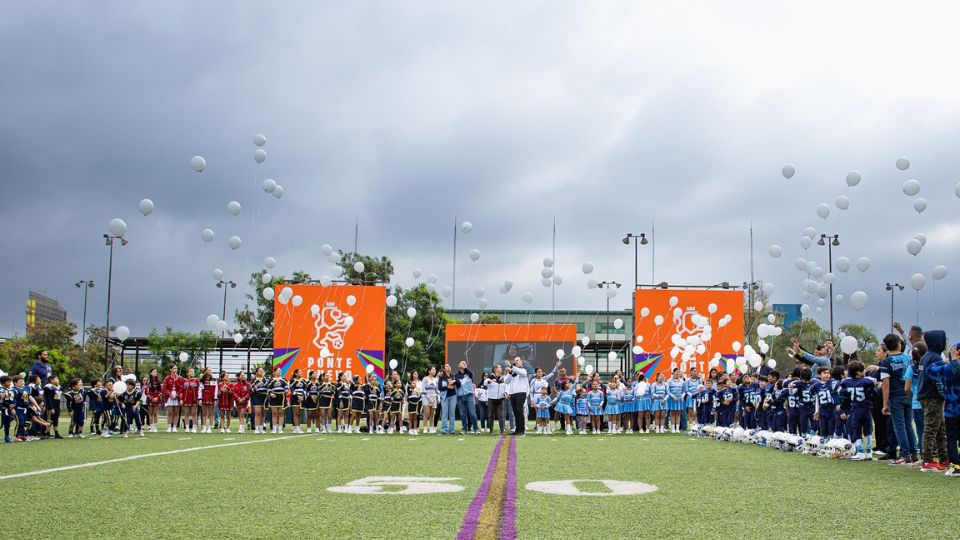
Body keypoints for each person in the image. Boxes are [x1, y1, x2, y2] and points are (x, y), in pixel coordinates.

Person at [876, 333, 919, 464]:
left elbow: (885, 384)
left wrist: (885, 404)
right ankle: (914, 452)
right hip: (909, 394)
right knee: (908, 425)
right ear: (899, 344)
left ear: (886, 347)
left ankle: (905, 454)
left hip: (895, 396)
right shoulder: (909, 358)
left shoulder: (886, 362)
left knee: (899, 426)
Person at [916, 330, 949, 471]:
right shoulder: (935, 358)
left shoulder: (926, 356)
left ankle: (944, 458)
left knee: (940, 429)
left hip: (926, 396)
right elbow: (938, 380)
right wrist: (945, 394)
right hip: (933, 397)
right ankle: (927, 459)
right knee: (931, 428)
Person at [929, 344, 960, 477]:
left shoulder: (947, 369)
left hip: (952, 411)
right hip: (953, 411)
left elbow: (930, 370)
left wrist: (947, 360)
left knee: (951, 440)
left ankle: (957, 466)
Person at [838, 361, 878, 461]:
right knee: (868, 431)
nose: (864, 371)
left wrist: (843, 406)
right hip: (867, 408)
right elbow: (875, 393)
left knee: (857, 430)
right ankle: (869, 452)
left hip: (855, 409)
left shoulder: (846, 382)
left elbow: (842, 394)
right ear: (858, 372)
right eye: (863, 370)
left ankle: (860, 452)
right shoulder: (868, 381)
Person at [504, 357, 530, 436]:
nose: (516, 362)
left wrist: (511, 366)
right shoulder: (513, 372)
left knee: (519, 411)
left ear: (521, 361)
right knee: (515, 412)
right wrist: (510, 372)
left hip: (521, 393)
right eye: (515, 361)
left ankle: (522, 431)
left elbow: (520, 372)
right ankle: (517, 430)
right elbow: (506, 381)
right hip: (513, 394)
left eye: (517, 360)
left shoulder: (523, 370)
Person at [455, 361, 479, 435]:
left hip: (469, 395)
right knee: (463, 414)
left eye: (464, 363)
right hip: (460, 396)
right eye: (462, 363)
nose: (463, 364)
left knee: (472, 413)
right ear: (458, 365)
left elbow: (471, 374)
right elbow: (458, 385)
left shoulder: (469, 373)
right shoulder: (456, 375)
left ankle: (476, 429)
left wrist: (465, 368)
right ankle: (464, 429)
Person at [810, 367, 834, 440]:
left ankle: (831, 442)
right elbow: (817, 399)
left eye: (828, 373)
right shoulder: (816, 386)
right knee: (823, 428)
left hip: (831, 409)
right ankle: (825, 441)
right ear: (819, 375)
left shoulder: (832, 383)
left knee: (831, 428)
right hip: (823, 409)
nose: (827, 375)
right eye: (824, 373)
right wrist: (817, 411)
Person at [484, 365, 506, 434]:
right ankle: (491, 431)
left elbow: (506, 387)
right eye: (499, 367)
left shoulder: (503, 378)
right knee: (491, 415)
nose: (501, 368)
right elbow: (485, 383)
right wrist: (489, 381)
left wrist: (506, 393)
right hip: (492, 399)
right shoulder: (490, 377)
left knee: (501, 415)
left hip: (501, 399)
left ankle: (502, 431)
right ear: (495, 369)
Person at [267, 367, 288, 434]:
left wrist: (286, 390)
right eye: (278, 370)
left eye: (280, 370)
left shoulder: (283, 379)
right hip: (274, 397)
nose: (280, 372)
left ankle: (280, 429)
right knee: (274, 413)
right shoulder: (271, 380)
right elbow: (268, 388)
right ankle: (274, 429)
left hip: (282, 397)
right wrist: (271, 393)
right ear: (274, 372)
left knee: (281, 413)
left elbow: (286, 386)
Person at [161, 365, 182, 433]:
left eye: (176, 368)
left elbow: (181, 388)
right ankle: (169, 426)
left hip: (177, 396)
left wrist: (177, 395)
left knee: (176, 412)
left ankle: (175, 427)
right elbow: (164, 388)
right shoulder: (167, 378)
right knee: (170, 412)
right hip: (169, 396)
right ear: (171, 369)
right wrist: (170, 394)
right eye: (174, 368)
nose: (175, 370)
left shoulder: (179, 378)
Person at [42, 374, 63, 439]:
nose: (58, 380)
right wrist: (51, 408)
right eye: (56, 379)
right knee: (49, 420)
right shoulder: (48, 387)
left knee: (56, 419)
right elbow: (48, 398)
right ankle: (47, 433)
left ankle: (56, 433)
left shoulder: (58, 387)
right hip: (51, 406)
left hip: (57, 405)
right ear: (51, 380)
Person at [180, 368, 200, 433]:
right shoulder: (184, 380)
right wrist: (181, 399)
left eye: (193, 371)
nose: (192, 372)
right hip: (186, 399)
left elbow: (199, 390)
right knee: (186, 413)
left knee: (194, 413)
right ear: (187, 373)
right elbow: (181, 390)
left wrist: (199, 399)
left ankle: (194, 427)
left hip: (194, 399)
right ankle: (187, 427)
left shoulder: (196, 380)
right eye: (191, 371)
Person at [438, 364, 457, 434]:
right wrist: (447, 387)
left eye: (449, 366)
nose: (448, 367)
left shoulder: (453, 376)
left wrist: (455, 382)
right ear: (444, 369)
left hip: (453, 396)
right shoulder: (441, 377)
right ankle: (444, 429)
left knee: (452, 414)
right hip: (444, 396)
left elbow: (458, 384)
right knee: (444, 414)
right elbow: (439, 388)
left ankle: (452, 430)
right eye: (446, 366)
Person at [421, 367, 439, 434]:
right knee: (426, 413)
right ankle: (425, 428)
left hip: (433, 397)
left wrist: (437, 396)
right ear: (429, 371)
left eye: (435, 370)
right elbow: (423, 389)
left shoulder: (436, 379)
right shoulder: (425, 378)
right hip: (426, 397)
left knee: (432, 414)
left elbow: (437, 390)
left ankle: (431, 428)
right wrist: (428, 397)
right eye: (433, 370)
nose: (434, 371)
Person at [250, 367, 268, 434]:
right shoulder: (254, 380)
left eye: (262, 370)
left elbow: (268, 387)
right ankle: (256, 428)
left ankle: (261, 428)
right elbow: (252, 389)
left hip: (264, 397)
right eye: (260, 371)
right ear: (257, 372)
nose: (261, 372)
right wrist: (255, 389)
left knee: (263, 413)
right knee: (258, 413)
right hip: (257, 397)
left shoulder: (266, 380)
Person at [666, 369, 685, 433]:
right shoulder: (669, 381)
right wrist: (673, 396)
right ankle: (673, 428)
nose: (678, 373)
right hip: (672, 399)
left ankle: (677, 429)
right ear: (673, 372)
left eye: (679, 372)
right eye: (676, 372)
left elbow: (684, 391)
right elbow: (667, 391)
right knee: (673, 414)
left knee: (678, 414)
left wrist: (682, 396)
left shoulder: (682, 381)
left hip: (679, 399)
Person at [288, 369, 306, 434]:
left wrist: (302, 396)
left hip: (302, 398)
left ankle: (298, 427)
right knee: (295, 413)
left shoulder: (304, 380)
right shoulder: (292, 381)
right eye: (299, 372)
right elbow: (292, 389)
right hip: (295, 398)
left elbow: (305, 389)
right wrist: (298, 396)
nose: (301, 373)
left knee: (299, 414)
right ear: (295, 373)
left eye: (301, 372)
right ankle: (296, 427)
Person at [405, 371, 422, 435]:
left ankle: (415, 428)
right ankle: (410, 428)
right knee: (410, 417)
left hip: (417, 403)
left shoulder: (420, 383)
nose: (416, 375)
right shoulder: (409, 387)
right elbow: (407, 394)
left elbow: (419, 395)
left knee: (416, 416)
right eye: (415, 374)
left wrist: (420, 395)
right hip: (411, 404)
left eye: (417, 373)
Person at [2, 375, 16, 442]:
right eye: (8, 382)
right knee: (2, 423)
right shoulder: (1, 390)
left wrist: (13, 405)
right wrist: (8, 405)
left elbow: (14, 399)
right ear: (3, 383)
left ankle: (7, 436)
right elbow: (2, 400)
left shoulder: (12, 390)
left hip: (9, 409)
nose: (10, 383)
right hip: (3, 409)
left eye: (10, 382)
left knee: (7, 423)